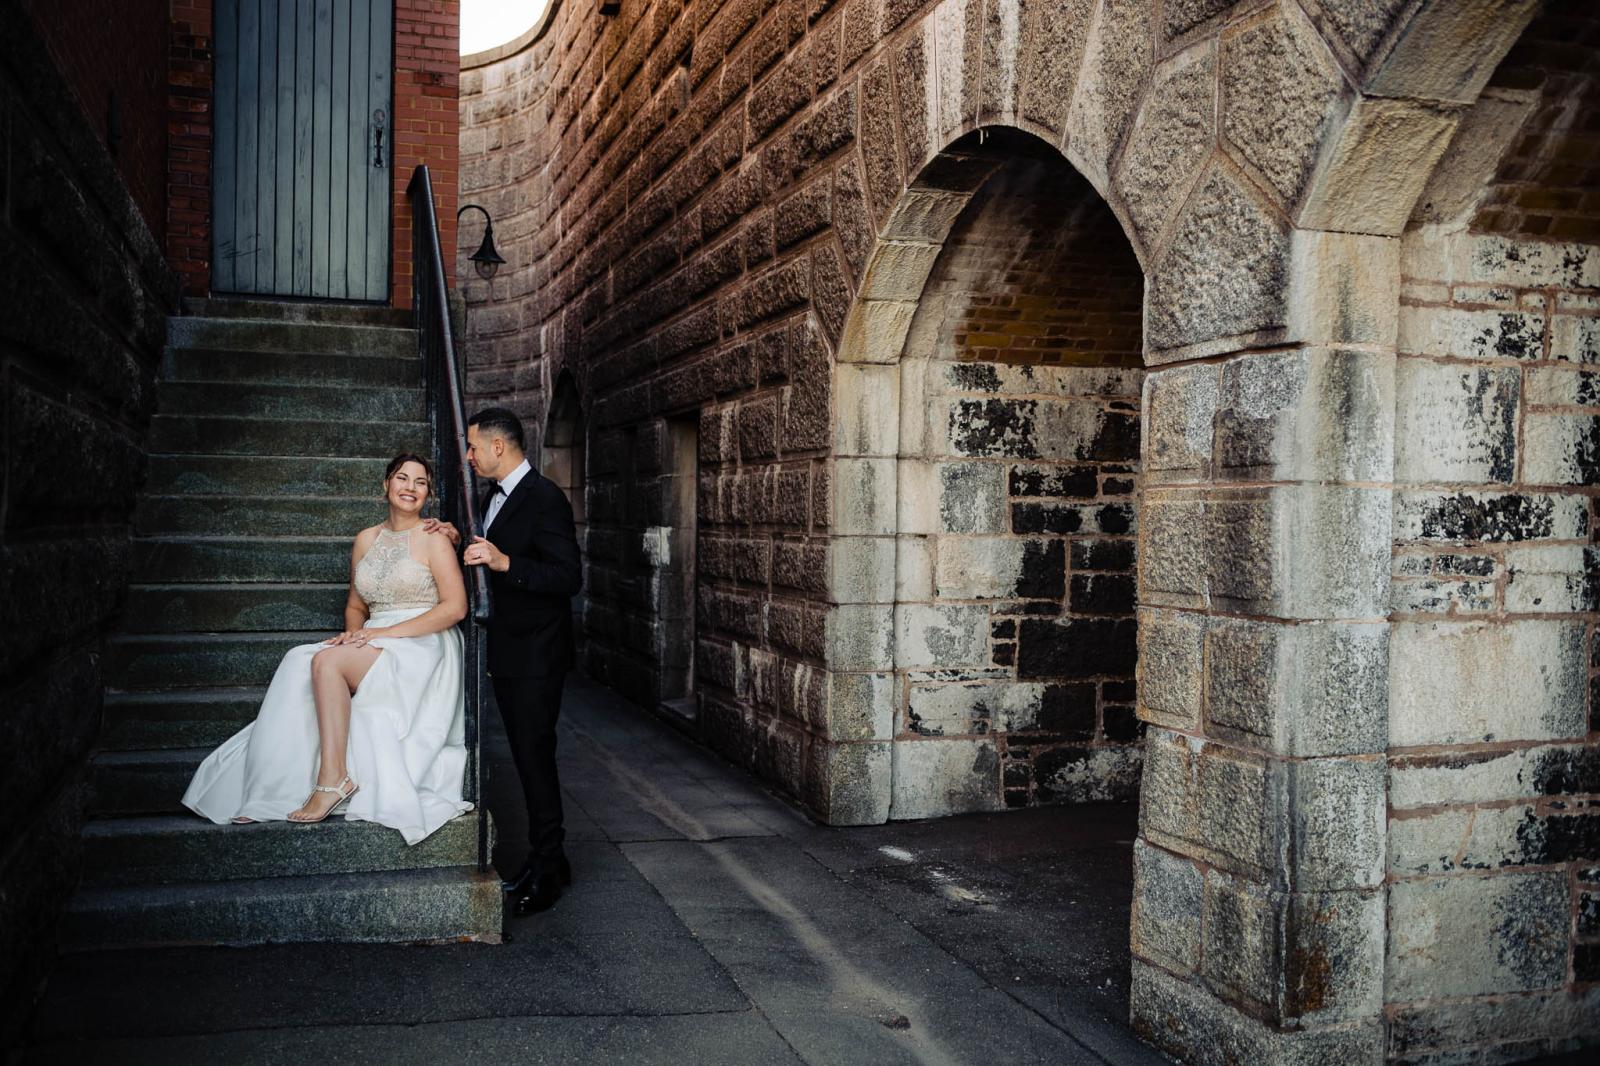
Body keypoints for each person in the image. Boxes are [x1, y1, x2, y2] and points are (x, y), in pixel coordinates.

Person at [182, 454, 473, 844]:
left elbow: (455, 608)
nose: (410, 487)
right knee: (298, 660)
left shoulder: (435, 538)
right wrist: (357, 635)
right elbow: (356, 605)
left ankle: (334, 779)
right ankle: (271, 782)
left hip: (422, 643)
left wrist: (383, 636)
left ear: (429, 493)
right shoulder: (365, 539)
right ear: (385, 485)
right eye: (402, 478)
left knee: (326, 662)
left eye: (420, 482)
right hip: (374, 635)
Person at [429, 407, 581, 914]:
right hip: (510, 651)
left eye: (473, 447)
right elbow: (487, 555)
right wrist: (460, 543)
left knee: (535, 759)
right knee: (523, 757)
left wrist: (505, 562)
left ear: (498, 447)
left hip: (538, 653)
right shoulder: (491, 499)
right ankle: (548, 861)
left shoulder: (544, 498)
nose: (468, 457)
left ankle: (549, 869)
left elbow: (567, 577)